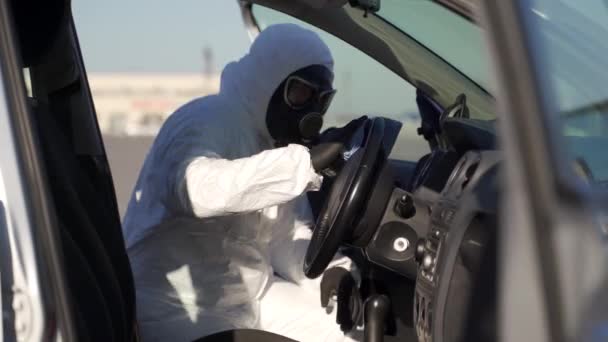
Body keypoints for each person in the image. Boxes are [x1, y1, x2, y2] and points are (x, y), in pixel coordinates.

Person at [122, 24, 360, 342]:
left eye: (321, 99)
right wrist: (300, 166)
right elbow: (195, 190)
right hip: (176, 310)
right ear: (269, 79)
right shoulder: (207, 119)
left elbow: (285, 237)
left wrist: (332, 272)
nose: (311, 110)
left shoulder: (276, 145)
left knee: (346, 330)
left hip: (252, 297)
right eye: (301, 93)